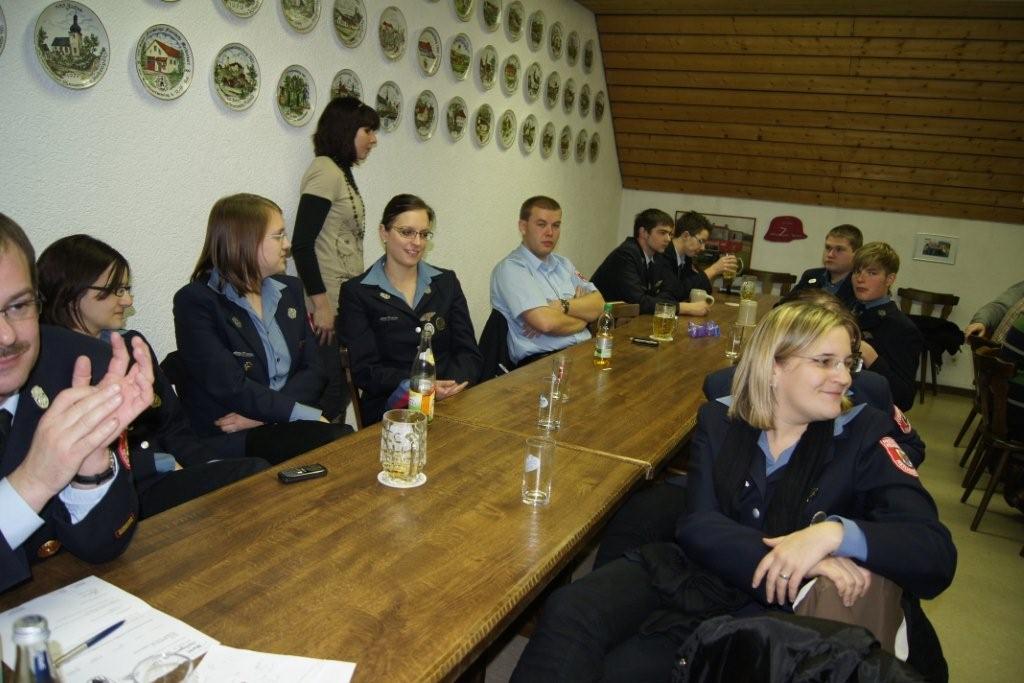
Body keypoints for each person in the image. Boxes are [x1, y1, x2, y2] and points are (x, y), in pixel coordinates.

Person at [512, 302, 955, 682]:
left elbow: (934, 552)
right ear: (774, 366)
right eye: (824, 361)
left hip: (783, 613)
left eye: (847, 362)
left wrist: (830, 535)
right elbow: (699, 526)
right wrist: (792, 557)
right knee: (570, 608)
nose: (843, 377)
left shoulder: (864, 435)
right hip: (704, 569)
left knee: (627, 669)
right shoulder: (721, 419)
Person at [37, 235, 269, 519]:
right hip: (121, 493)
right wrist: (162, 463)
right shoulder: (48, 366)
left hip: (167, 475)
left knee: (251, 474)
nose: (127, 300)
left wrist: (208, 464)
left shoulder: (133, 345)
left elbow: (174, 426)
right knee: (251, 477)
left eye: (126, 289)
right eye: (116, 290)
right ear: (72, 293)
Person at [1, 213, 154, 592]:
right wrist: (33, 483)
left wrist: (90, 472)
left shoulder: (75, 364)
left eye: (18, 306)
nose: (7, 336)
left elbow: (104, 546)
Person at [172, 193, 349, 464]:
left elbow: (314, 370)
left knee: (344, 442)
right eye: (278, 236)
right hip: (231, 435)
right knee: (338, 443)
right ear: (244, 241)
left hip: (270, 423)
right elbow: (231, 386)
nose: (287, 245)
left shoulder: (290, 290)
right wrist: (291, 412)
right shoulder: (196, 302)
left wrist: (268, 415)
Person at [338, 194, 483, 425]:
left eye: (423, 234)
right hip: (391, 410)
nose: (417, 242)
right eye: (407, 232)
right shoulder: (357, 292)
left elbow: (469, 353)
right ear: (384, 233)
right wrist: (423, 386)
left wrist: (451, 386)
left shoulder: (446, 282)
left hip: (451, 400)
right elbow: (365, 370)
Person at [291, 97, 381, 423]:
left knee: (340, 391)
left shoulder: (340, 172)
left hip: (344, 302)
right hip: (326, 305)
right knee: (330, 394)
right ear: (345, 129)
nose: (373, 139)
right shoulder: (325, 171)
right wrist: (321, 305)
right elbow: (302, 243)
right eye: (367, 130)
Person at [490, 196, 605, 367]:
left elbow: (599, 304)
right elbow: (547, 323)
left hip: (584, 353)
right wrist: (584, 319)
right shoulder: (512, 268)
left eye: (556, 225)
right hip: (542, 364)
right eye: (541, 224)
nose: (550, 232)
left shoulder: (564, 264)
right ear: (523, 227)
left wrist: (562, 306)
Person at [591, 209, 711, 317]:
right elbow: (639, 302)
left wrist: (662, 301)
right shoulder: (626, 255)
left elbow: (669, 292)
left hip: (625, 319)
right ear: (643, 232)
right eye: (662, 233)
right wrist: (685, 308)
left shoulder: (657, 257)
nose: (668, 239)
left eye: (670, 234)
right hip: (600, 322)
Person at [851, 242, 923, 412]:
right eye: (857, 271)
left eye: (872, 273)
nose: (860, 279)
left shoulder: (900, 328)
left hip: (869, 411)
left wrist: (872, 358)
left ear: (889, 279)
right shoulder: (849, 312)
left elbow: (904, 398)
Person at [660, 210, 737, 298]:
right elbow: (675, 292)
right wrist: (713, 270)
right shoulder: (663, 255)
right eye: (701, 241)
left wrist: (714, 273)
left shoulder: (686, 258)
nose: (703, 248)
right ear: (685, 236)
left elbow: (701, 289)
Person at [786, 224, 862, 309]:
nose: (830, 254)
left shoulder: (861, 283)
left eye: (839, 249)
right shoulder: (811, 275)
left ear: (856, 254)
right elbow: (783, 305)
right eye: (828, 248)